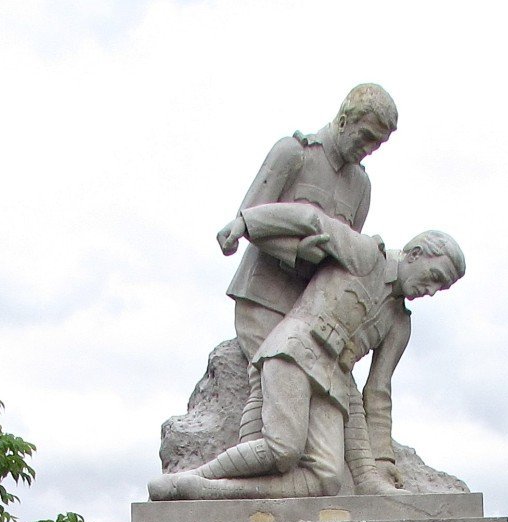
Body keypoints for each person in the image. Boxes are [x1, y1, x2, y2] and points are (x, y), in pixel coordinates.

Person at [150, 204, 465, 500]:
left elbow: (379, 392)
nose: (432, 290)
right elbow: (312, 220)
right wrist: (247, 222)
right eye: (434, 277)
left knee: (327, 478)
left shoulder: (399, 324)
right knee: (283, 449)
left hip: (332, 382)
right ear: (415, 254)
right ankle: (192, 478)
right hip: (294, 352)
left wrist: (382, 461)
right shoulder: (366, 256)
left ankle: (207, 490)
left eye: (442, 288)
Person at [219, 84, 398, 443]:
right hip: (263, 299)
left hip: (312, 311)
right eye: (365, 137)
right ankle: (247, 466)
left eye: (377, 145)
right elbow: (248, 218)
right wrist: (295, 252)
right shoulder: (293, 153)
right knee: (273, 384)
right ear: (344, 120)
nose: (368, 149)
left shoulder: (361, 185)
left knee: (320, 404)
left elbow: (344, 254)